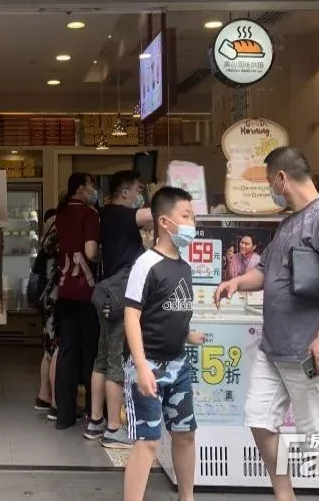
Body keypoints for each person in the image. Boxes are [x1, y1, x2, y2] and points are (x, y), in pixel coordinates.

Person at [213, 147, 319, 501]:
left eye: (269, 182)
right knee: (259, 419)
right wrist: (236, 282)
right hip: (273, 348)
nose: (270, 190)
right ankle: (285, 495)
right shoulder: (288, 223)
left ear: (282, 178)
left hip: (309, 350)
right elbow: (266, 272)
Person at [122, 186, 204, 501]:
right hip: (148, 365)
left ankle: (187, 497)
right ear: (164, 222)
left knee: (185, 433)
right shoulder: (146, 264)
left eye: (192, 216)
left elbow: (167, 311)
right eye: (186, 216)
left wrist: (187, 335)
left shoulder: (183, 266)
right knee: (148, 441)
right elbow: (132, 317)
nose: (192, 223)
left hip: (178, 364)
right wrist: (141, 367)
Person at [86, 170, 152, 448]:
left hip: (106, 294)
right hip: (118, 297)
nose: (140, 195)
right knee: (115, 362)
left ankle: (96, 421)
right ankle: (114, 428)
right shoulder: (120, 214)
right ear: (125, 192)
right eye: (138, 190)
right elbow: (155, 213)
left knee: (102, 359)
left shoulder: (108, 215)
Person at [52, 172, 100, 429]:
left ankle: (64, 414)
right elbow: (91, 251)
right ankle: (93, 413)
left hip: (64, 290)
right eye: (91, 185)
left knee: (67, 351)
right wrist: (102, 255)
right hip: (86, 291)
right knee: (90, 352)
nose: (94, 189)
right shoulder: (89, 214)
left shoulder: (60, 213)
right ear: (81, 188)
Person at [34, 208, 60, 412]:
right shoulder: (57, 239)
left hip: (46, 299)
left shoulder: (46, 238)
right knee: (58, 349)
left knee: (49, 350)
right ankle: (57, 404)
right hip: (56, 298)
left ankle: (44, 396)